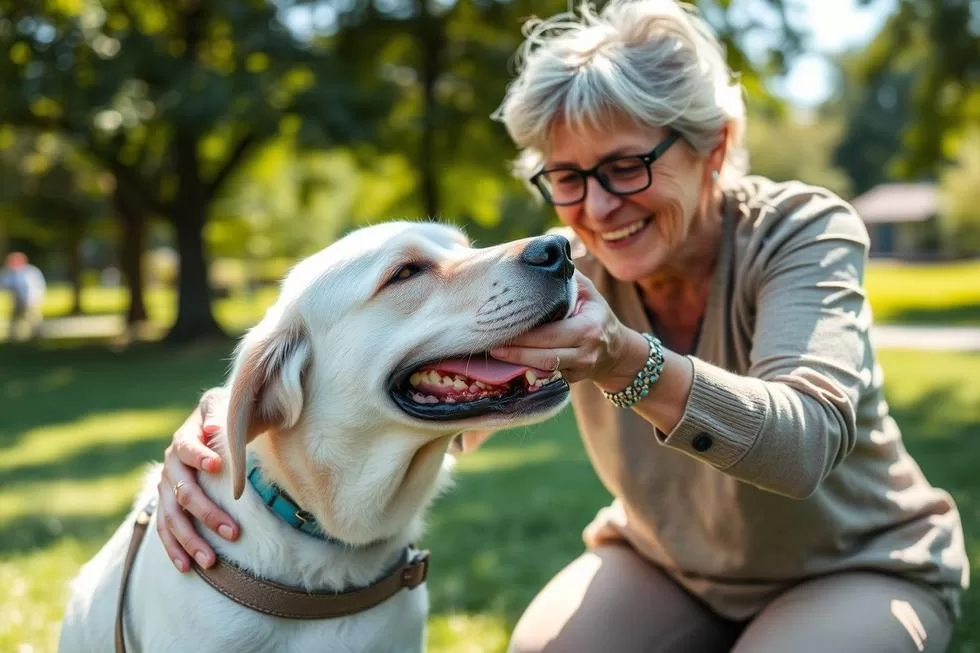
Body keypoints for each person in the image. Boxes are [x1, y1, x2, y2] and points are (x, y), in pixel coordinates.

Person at [154, 1, 969, 651]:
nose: (600, 211)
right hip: (667, 562)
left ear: (714, 147)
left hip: (855, 564)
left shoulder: (804, 231)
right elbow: (423, 380)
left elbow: (804, 443)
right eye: (569, 178)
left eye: (626, 167)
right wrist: (218, 435)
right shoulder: (572, 269)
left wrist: (625, 360)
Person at [1, 251, 47, 341]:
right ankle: (13, 338)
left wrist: (35, 298)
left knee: (33, 318)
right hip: (17, 300)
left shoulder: (30, 272)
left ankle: (38, 336)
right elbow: (4, 285)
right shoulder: (10, 273)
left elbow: (36, 287)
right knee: (15, 319)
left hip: (31, 299)